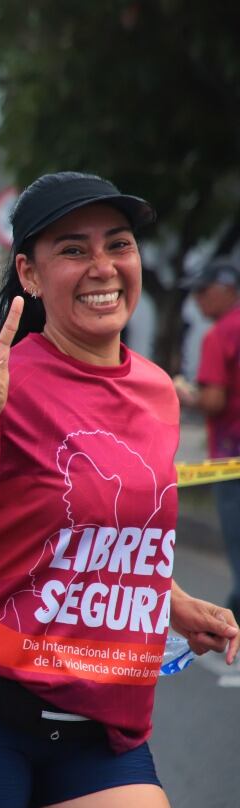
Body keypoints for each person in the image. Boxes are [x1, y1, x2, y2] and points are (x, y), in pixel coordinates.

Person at [0, 171, 239, 808]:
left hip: (102, 720)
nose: (102, 267)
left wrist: (172, 598)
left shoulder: (157, 389)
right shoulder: (2, 380)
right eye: (73, 249)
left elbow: (106, 530)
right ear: (31, 275)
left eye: (118, 244)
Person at [176, 260, 240, 615]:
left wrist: (187, 397)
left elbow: (214, 401)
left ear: (225, 290)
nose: (197, 301)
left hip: (232, 464)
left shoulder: (218, 336)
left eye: (202, 292)